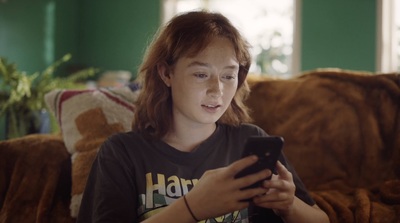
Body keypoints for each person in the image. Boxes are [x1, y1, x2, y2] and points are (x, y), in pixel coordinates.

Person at [77, 10, 329, 223]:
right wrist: (191, 207)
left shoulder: (250, 142)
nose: (217, 90)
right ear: (166, 73)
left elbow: (321, 219)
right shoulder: (122, 153)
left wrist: (289, 206)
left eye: (228, 76)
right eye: (201, 74)